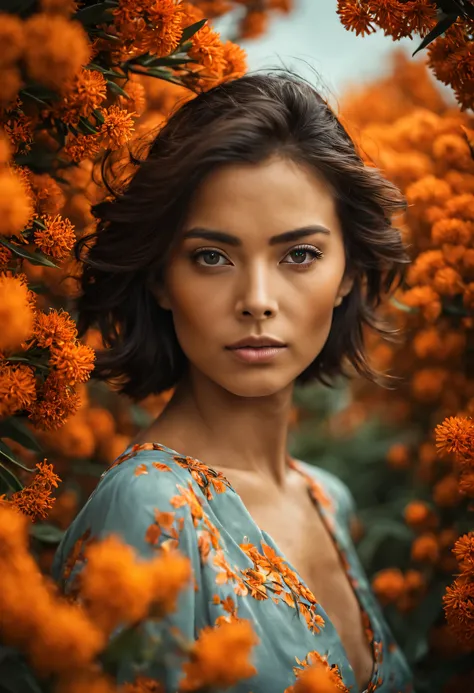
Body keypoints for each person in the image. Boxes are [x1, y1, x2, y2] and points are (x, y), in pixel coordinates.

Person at [52, 72, 413, 693]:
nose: (257, 300)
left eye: (298, 254)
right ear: (162, 279)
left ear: (349, 272)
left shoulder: (329, 499)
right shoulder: (146, 507)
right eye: (211, 257)